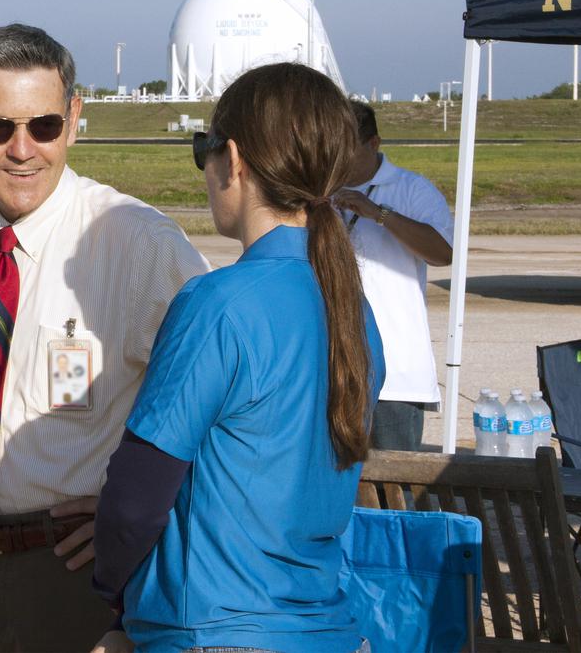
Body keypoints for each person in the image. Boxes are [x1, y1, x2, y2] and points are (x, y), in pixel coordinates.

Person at [0, 23, 209, 652]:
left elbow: (215, 401)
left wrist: (140, 511)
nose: (23, 149)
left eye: (44, 126)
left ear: (74, 118)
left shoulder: (137, 243)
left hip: (82, 574)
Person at [91, 63, 385, 653]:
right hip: (327, 629)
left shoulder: (217, 303)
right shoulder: (353, 308)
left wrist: (113, 599)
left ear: (235, 159)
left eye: (203, 149)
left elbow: (139, 495)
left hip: (215, 628)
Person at [333, 101, 452, 450]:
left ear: (374, 143)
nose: (338, 158)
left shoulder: (412, 189)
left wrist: (379, 214)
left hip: (396, 379)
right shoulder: (321, 192)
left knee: (391, 495)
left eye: (347, 148)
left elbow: (445, 252)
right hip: (335, 375)